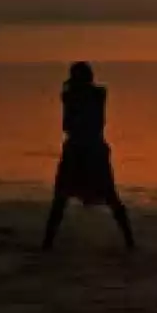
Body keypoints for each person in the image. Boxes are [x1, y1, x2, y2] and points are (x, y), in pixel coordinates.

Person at [43, 62, 137, 251]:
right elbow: (68, 125)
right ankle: (47, 243)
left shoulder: (93, 95)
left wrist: (72, 98)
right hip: (83, 150)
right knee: (63, 199)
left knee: (105, 196)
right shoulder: (83, 95)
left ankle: (130, 242)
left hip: (89, 150)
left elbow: (72, 124)